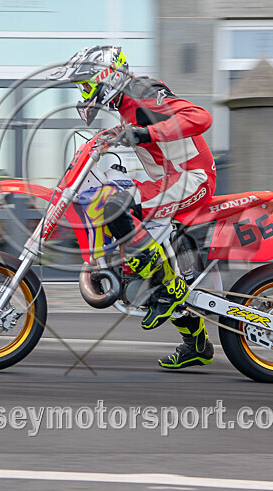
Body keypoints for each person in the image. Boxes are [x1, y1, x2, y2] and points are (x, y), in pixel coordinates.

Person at [51, 45, 218, 369]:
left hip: (192, 179)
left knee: (114, 206)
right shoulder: (126, 106)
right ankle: (196, 342)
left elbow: (200, 117)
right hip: (171, 181)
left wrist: (144, 133)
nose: (84, 92)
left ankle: (169, 287)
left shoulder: (143, 92)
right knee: (114, 212)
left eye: (86, 84)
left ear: (106, 77)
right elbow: (139, 137)